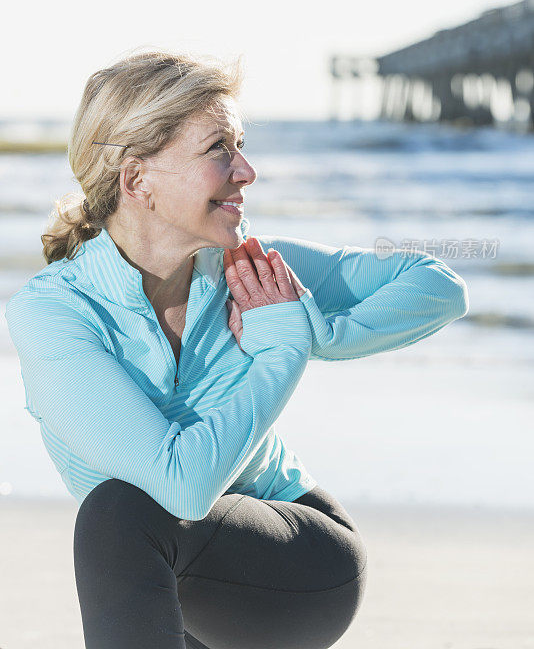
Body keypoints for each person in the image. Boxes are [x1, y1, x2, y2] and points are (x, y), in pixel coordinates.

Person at [5, 51, 469, 649]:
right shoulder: (56, 312)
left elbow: (437, 285)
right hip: (178, 572)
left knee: (116, 515)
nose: (247, 171)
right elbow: (182, 484)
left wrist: (308, 334)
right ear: (136, 179)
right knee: (123, 511)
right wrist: (282, 354)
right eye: (218, 148)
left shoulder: (248, 269)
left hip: (303, 552)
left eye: (240, 145)